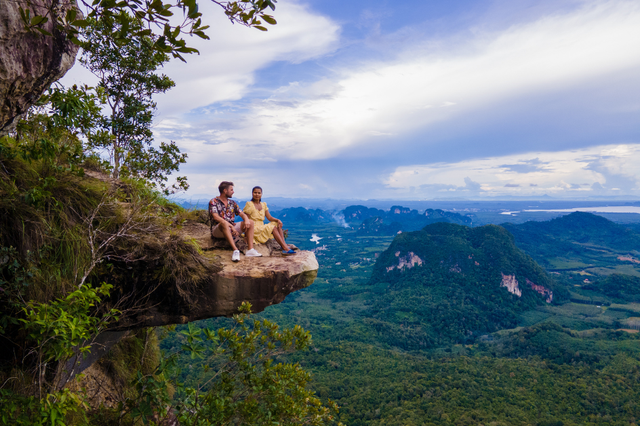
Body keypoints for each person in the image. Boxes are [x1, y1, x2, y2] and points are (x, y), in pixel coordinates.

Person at [209, 181, 262, 262]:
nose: (233, 192)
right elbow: (216, 217)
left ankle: (250, 250)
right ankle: (235, 250)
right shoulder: (213, 201)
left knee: (250, 222)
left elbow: (242, 214)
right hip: (218, 229)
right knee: (223, 223)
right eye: (231, 190)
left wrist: (246, 220)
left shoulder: (232, 203)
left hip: (231, 227)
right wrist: (231, 227)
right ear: (225, 190)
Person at [243, 186, 295, 254]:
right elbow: (246, 220)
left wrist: (277, 220)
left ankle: (283, 245)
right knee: (272, 227)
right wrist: (246, 235)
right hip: (254, 228)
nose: (257, 194)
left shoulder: (263, 204)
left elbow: (269, 217)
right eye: (255, 192)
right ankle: (285, 247)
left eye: (259, 193)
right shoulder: (249, 204)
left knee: (276, 224)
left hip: (261, 227)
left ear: (261, 194)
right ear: (252, 193)